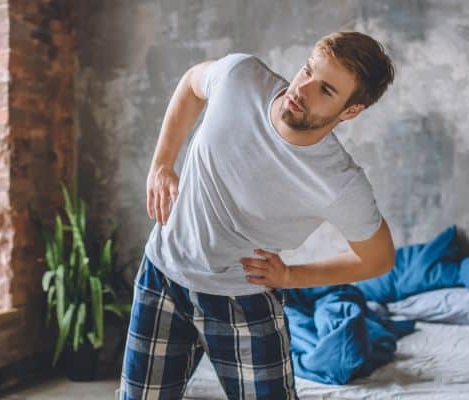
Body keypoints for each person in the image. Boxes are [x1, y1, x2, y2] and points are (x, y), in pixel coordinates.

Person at [119, 31, 396, 400]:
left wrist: (291, 276)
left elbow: (378, 258)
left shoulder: (340, 183)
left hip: (243, 298)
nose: (302, 89)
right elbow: (191, 84)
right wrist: (161, 163)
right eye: (307, 70)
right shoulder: (240, 76)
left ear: (351, 111)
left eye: (326, 90)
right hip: (163, 276)